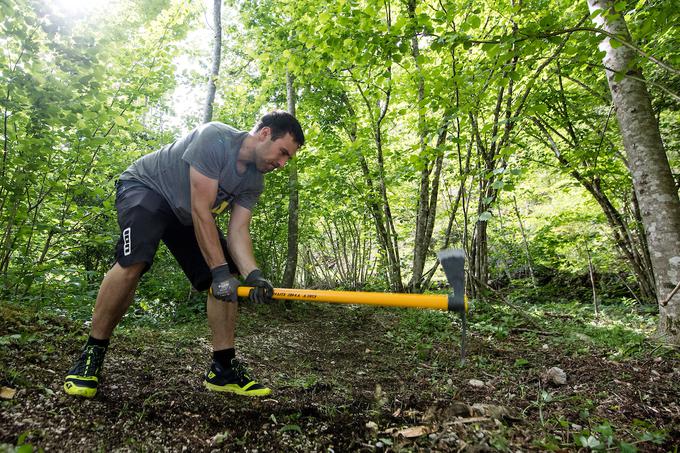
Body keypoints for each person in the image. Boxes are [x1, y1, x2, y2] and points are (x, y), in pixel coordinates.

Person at [63, 111, 304, 398]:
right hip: (146, 188)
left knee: (230, 275)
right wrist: (218, 273)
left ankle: (223, 369)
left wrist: (254, 275)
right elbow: (202, 211)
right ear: (264, 133)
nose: (281, 163)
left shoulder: (254, 181)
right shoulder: (215, 138)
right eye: (282, 152)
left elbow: (238, 230)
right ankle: (92, 353)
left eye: (287, 158)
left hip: (185, 213)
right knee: (135, 261)